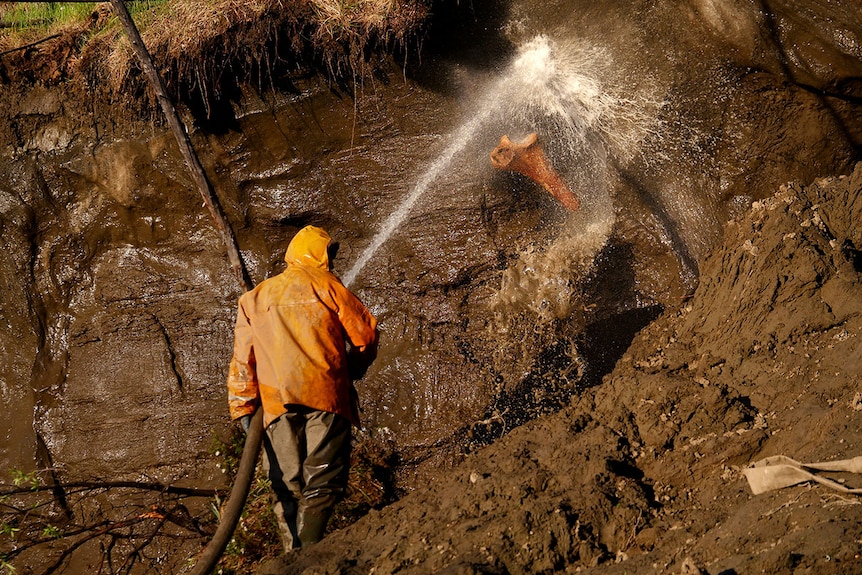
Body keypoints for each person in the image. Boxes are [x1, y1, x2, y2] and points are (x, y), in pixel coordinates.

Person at [226, 225, 379, 551]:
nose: (333, 263)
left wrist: (242, 408)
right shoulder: (328, 286)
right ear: (319, 254)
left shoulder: (254, 298)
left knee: (286, 483)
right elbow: (365, 336)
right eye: (329, 255)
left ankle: (292, 557)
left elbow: (242, 361)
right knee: (322, 480)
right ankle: (307, 552)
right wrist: (352, 370)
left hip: (275, 403)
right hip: (325, 394)